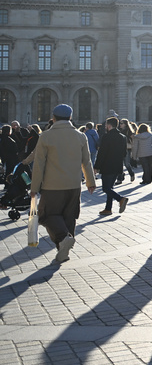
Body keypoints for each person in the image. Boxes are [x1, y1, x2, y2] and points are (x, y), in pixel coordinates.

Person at [29, 104, 95, 264]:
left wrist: (34, 187)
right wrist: (90, 182)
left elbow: (39, 164)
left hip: (52, 186)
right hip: (74, 185)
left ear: (53, 118)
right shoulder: (80, 136)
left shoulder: (45, 136)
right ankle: (63, 252)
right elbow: (87, 162)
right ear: (70, 117)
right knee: (69, 217)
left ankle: (64, 239)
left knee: (46, 215)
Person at [94, 117, 129, 216]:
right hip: (117, 165)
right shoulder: (122, 137)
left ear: (109, 126)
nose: (105, 127)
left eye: (106, 125)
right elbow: (124, 153)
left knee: (106, 188)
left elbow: (102, 153)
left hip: (107, 166)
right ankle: (108, 208)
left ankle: (120, 199)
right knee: (110, 187)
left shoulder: (106, 137)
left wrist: (96, 166)